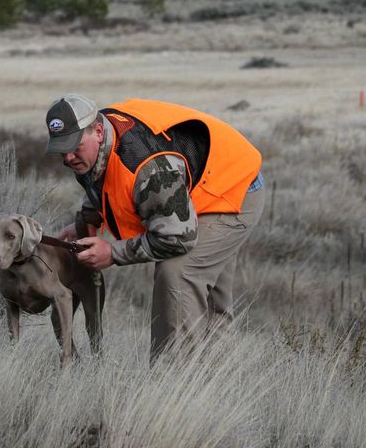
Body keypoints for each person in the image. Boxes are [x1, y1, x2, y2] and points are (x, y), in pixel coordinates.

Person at [45, 94, 265, 361]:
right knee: (209, 302)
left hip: (232, 187)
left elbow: (178, 237)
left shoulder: (150, 168)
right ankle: (218, 378)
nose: (68, 157)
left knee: (178, 273)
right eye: (61, 150)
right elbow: (106, 176)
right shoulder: (96, 142)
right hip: (195, 185)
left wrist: (113, 253)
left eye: (74, 147)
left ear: (99, 132)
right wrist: (89, 218)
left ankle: (170, 379)